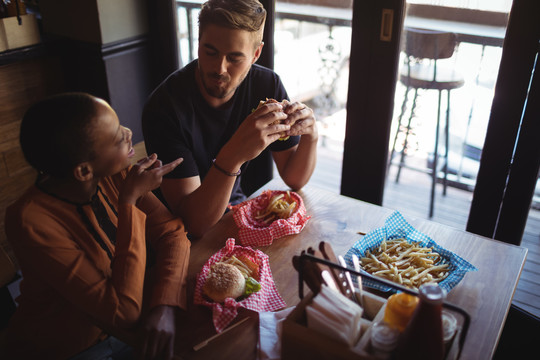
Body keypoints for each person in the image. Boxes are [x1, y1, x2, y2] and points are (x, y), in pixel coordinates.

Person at [4, 93, 189, 360]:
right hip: (68, 347)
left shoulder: (115, 173)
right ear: (83, 171)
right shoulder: (30, 221)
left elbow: (172, 232)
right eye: (117, 137)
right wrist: (129, 202)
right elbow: (123, 312)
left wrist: (166, 304)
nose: (128, 132)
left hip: (131, 325)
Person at [142, 0, 318, 238]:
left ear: (256, 54)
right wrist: (234, 154)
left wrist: (311, 135)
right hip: (179, 238)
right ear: (198, 43)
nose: (220, 68)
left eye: (234, 58)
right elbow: (194, 224)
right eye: (210, 52)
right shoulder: (164, 109)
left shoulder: (267, 85)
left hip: (237, 214)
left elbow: (294, 178)